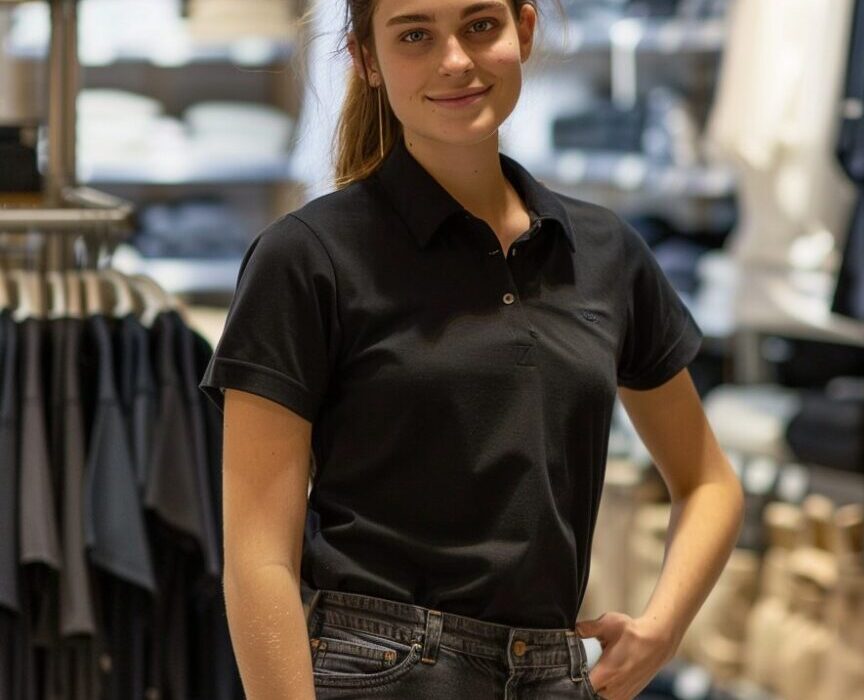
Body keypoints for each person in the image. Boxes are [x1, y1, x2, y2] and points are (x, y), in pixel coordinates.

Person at [198, 1, 746, 698]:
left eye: (479, 25)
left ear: (525, 29)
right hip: (381, 669)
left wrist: (663, 629)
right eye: (416, 35)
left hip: (552, 671)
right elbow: (257, 560)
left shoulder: (605, 252)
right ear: (366, 60)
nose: (454, 60)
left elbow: (708, 482)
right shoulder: (306, 258)